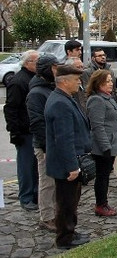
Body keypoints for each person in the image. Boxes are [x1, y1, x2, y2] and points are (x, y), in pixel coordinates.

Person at [45, 65, 91, 250]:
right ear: (64, 81)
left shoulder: (65, 98)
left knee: (71, 201)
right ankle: (65, 239)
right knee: (65, 203)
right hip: (66, 164)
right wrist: (72, 166)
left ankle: (70, 230)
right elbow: (64, 139)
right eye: (76, 79)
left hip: (71, 160)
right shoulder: (59, 103)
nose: (79, 82)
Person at [26, 54, 59, 231]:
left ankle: (54, 212)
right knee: (47, 182)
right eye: (54, 67)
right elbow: (37, 123)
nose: (57, 71)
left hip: (55, 142)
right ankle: (46, 217)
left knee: (55, 182)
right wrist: (47, 147)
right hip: (45, 145)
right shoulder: (37, 93)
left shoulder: (49, 88)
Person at [85, 70, 117, 216]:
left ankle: (103, 202)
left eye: (110, 81)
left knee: (105, 175)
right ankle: (101, 204)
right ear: (99, 83)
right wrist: (105, 146)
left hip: (113, 142)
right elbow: (97, 126)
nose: (110, 84)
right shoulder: (96, 100)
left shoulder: (108, 98)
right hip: (104, 145)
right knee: (102, 176)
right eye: (107, 81)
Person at [4, 50, 39, 211]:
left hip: (33, 129)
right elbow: (11, 109)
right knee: (26, 166)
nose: (38, 65)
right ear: (27, 63)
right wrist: (15, 132)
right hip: (24, 132)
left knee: (36, 166)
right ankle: (26, 197)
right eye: (36, 62)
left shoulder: (35, 79)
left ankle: (35, 194)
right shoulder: (18, 81)